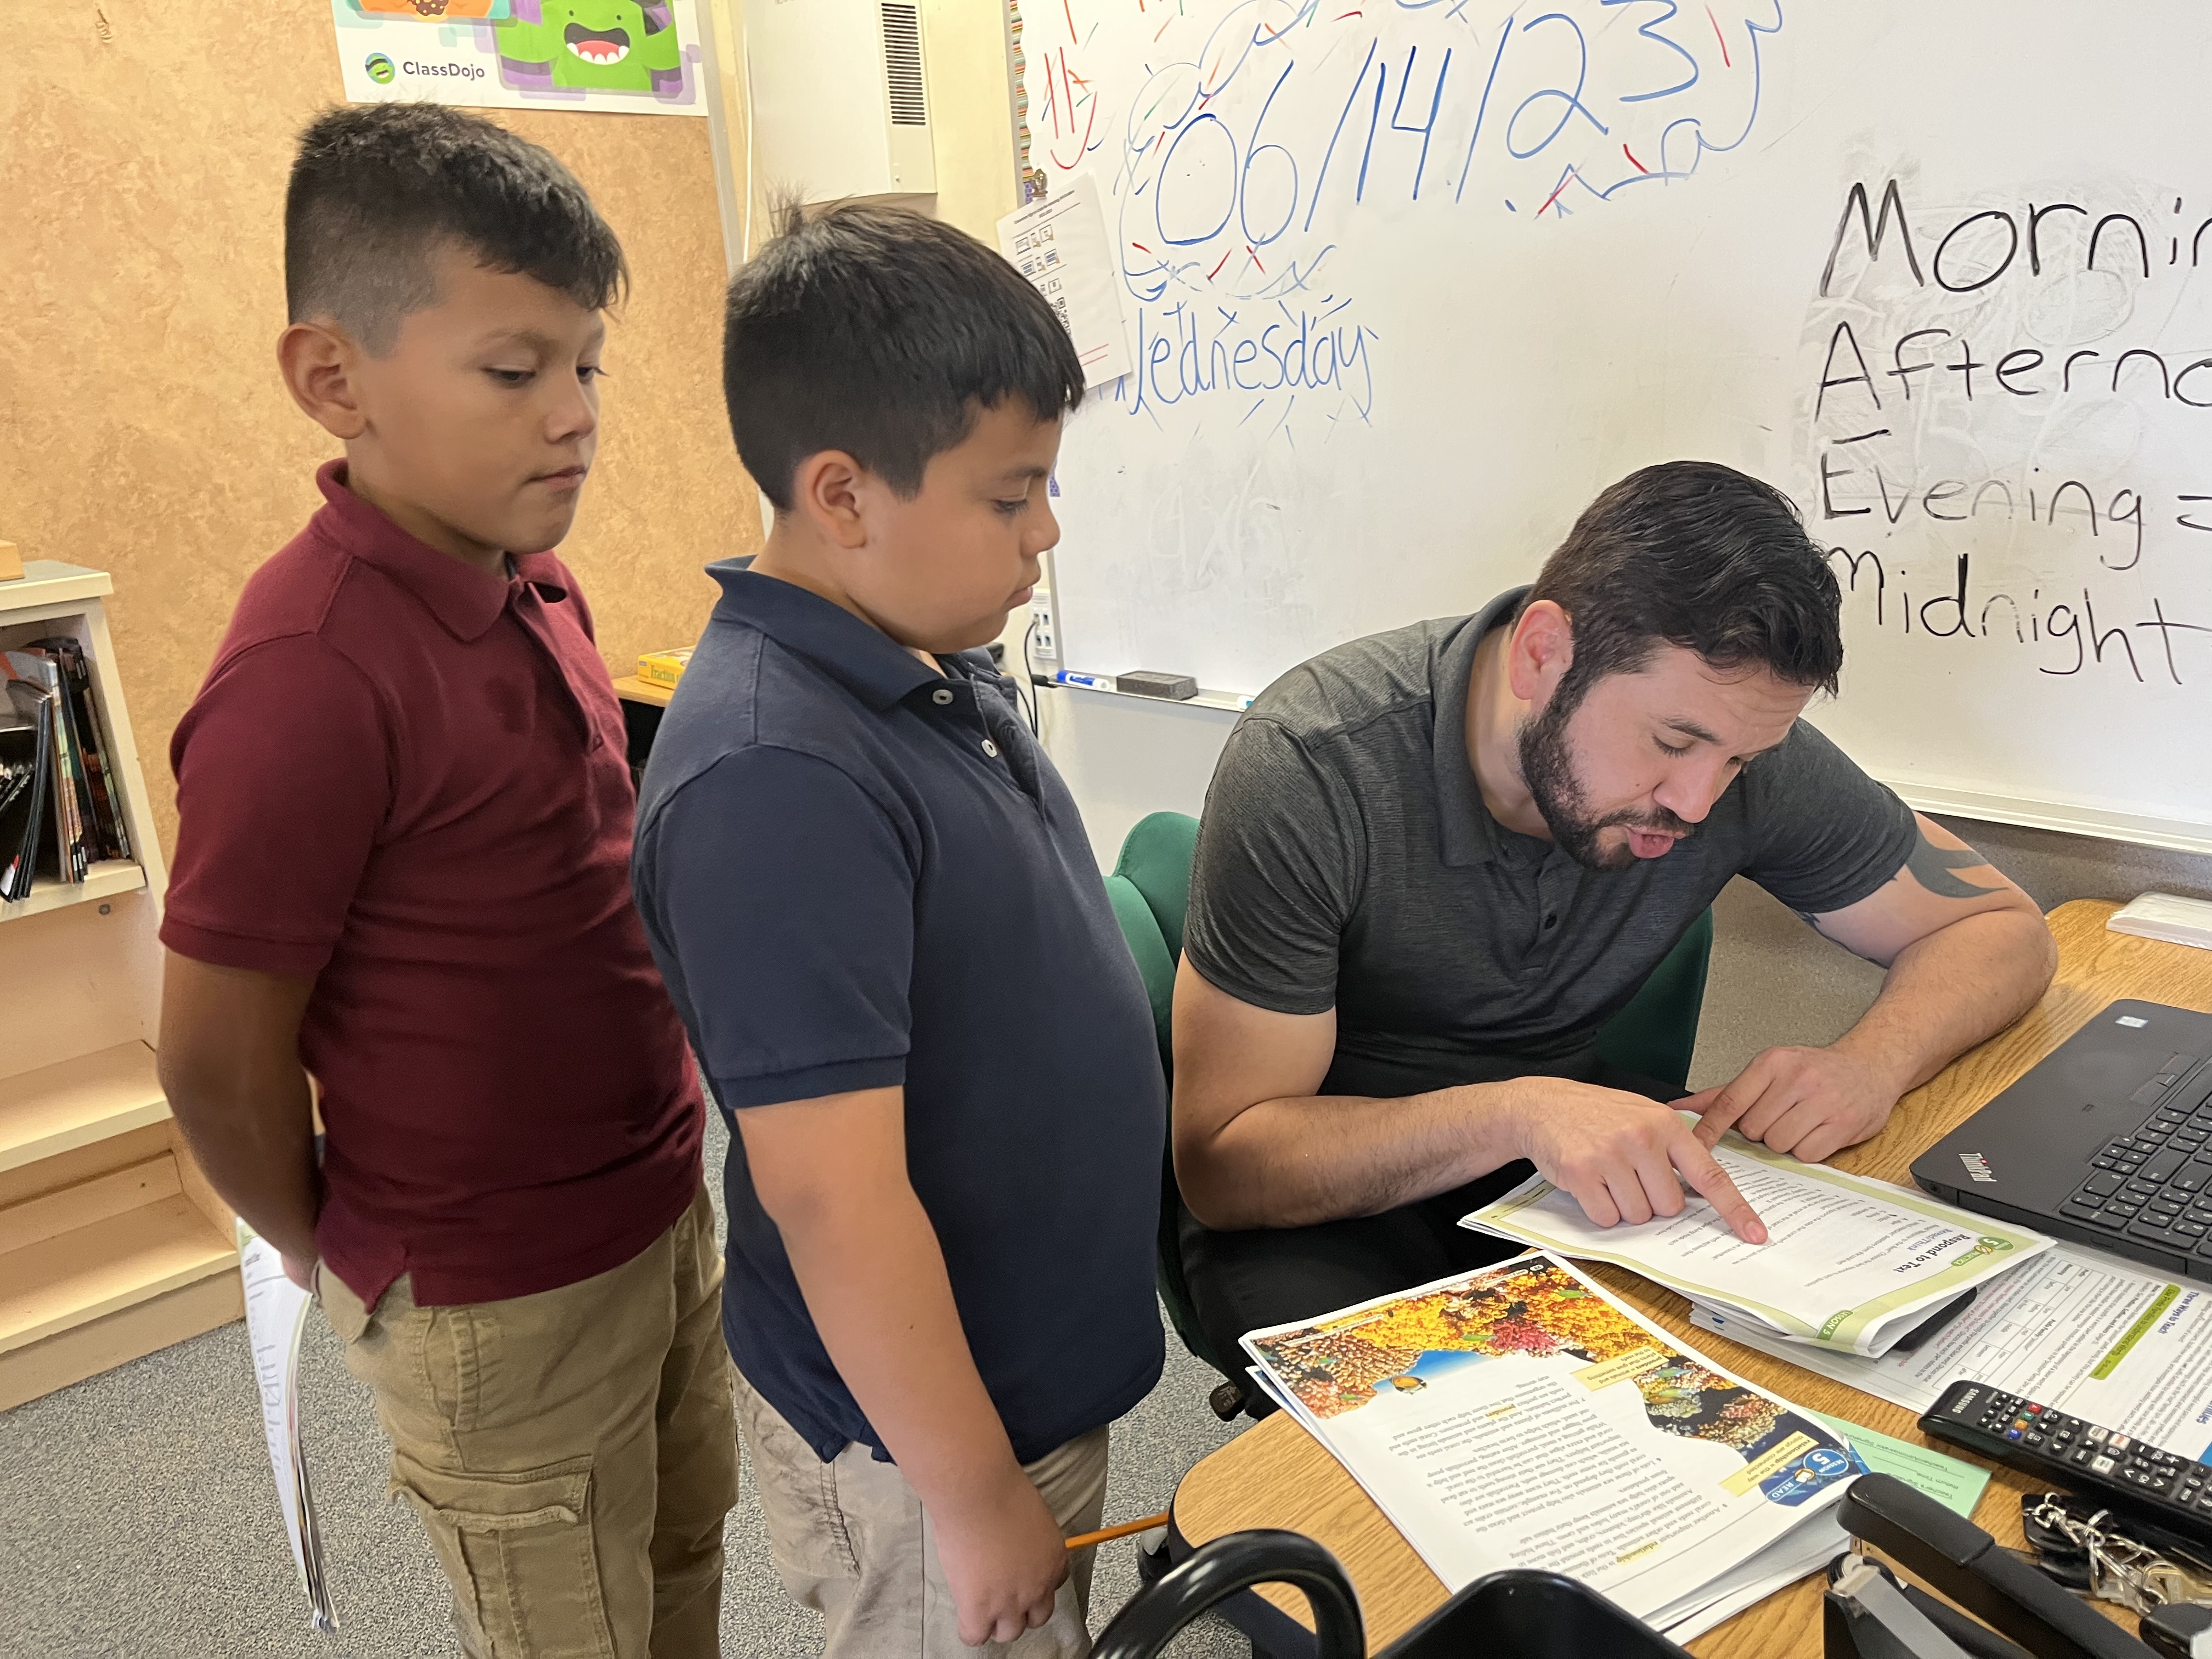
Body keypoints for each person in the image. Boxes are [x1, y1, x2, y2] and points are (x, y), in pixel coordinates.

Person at [155, 104, 735, 1657]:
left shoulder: (532, 572)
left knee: (681, 1573)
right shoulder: (307, 676)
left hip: (659, 1207)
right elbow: (214, 1060)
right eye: (513, 369)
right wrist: (327, 1246)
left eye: (587, 363)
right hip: (490, 1298)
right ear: (334, 377)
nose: (576, 416)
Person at [1170, 460, 2057, 1393]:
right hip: (1326, 1200)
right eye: (1672, 745)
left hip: (1557, 1162)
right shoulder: (1314, 766)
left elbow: (2002, 928)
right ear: (1543, 652)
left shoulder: (1730, 746)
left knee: (1785, 1389)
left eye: (1740, 763)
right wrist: (1517, 1109)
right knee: (1487, 1451)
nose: (1698, 801)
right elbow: (1228, 1170)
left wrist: (1872, 1060)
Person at [629, 201, 1165, 1659]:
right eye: (1011, 498)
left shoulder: (918, 661)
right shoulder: (776, 778)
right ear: (845, 495)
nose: (1046, 533)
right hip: (930, 1443)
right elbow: (835, 1202)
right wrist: (975, 1491)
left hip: (1008, 1394)